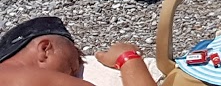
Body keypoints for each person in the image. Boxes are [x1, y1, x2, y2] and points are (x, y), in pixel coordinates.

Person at [0, 16, 157, 86]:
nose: (74, 76)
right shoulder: (41, 80)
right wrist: (127, 58)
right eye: (72, 66)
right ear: (45, 49)